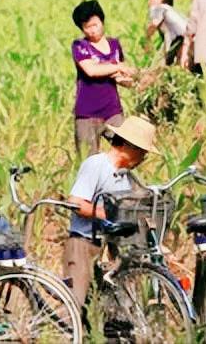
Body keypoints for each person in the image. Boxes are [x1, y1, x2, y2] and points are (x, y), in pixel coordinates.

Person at [63, 116, 160, 308]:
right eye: (142, 153)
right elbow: (75, 203)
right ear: (130, 147)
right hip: (84, 243)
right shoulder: (97, 165)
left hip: (108, 245)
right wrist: (108, 214)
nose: (143, 159)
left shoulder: (128, 177)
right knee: (75, 303)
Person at [71, 0, 139, 156]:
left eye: (95, 25)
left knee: (127, 155)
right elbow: (91, 71)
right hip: (87, 115)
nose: (92, 30)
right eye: (87, 27)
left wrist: (133, 80)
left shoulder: (114, 45)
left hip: (112, 112)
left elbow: (118, 77)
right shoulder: (80, 46)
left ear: (102, 21)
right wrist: (119, 67)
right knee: (89, 164)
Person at [145, 0, 188, 66]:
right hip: (188, 38)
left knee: (168, 65)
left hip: (181, 39)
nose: (148, 2)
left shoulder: (158, 7)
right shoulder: (171, 11)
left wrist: (147, 37)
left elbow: (154, 24)